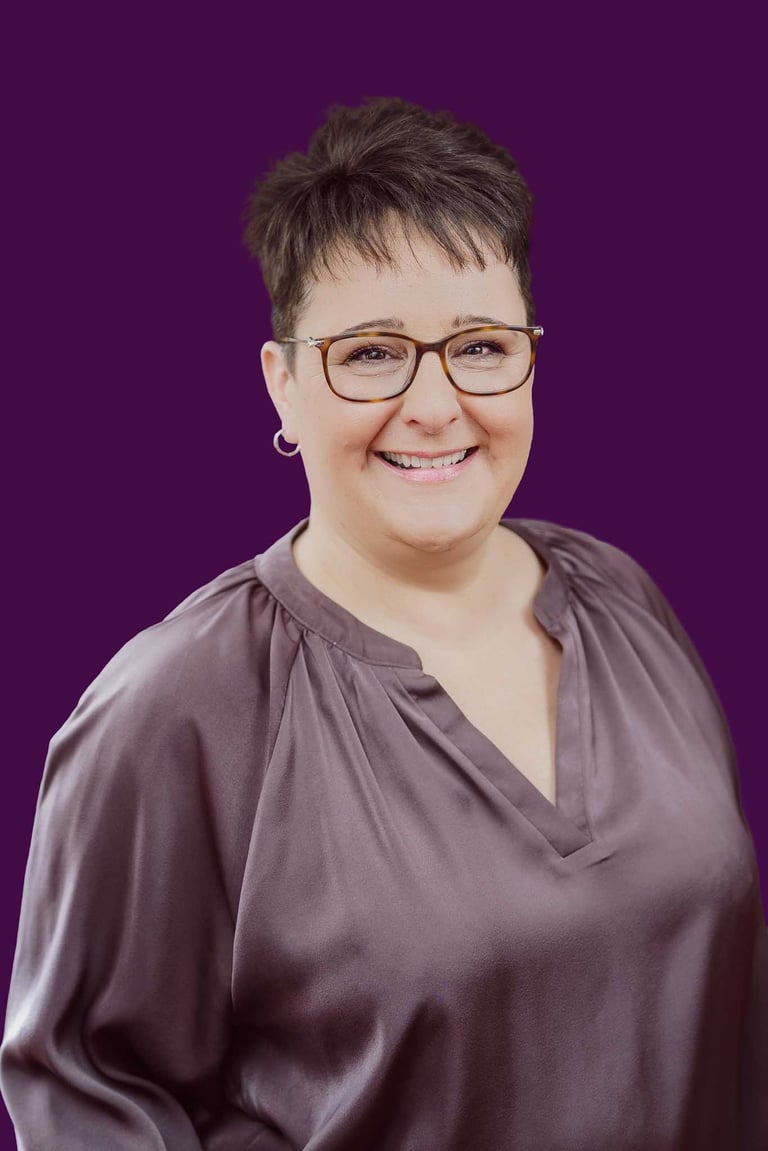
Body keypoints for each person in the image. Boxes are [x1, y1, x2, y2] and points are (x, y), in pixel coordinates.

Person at [0, 96, 765, 1150]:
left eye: (480, 346)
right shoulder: (178, 704)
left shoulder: (623, 598)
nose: (436, 404)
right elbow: (85, 1092)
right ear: (283, 384)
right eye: (371, 354)